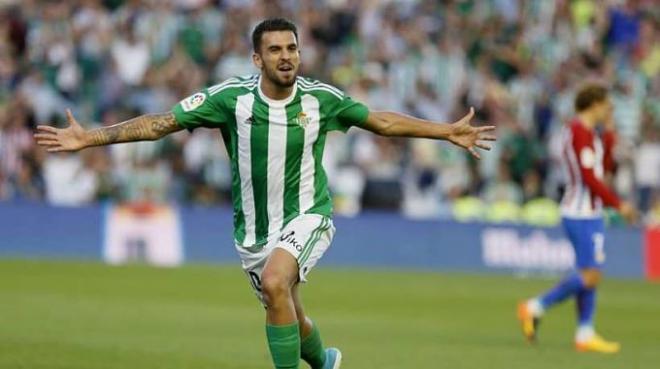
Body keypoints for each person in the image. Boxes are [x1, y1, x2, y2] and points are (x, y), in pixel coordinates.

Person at [34, 18, 495, 369]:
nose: (286, 56)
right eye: (274, 50)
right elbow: (159, 125)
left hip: (309, 215)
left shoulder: (320, 98)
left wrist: (445, 131)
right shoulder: (230, 99)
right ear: (257, 59)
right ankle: (326, 362)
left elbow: (382, 121)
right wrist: (87, 138)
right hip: (253, 232)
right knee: (289, 309)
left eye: (292, 48)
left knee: (277, 282)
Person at [517, 83, 637, 354]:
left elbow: (604, 169)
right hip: (581, 212)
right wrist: (619, 205)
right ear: (595, 104)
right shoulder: (578, 132)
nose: (610, 109)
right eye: (607, 104)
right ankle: (535, 306)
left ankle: (585, 333)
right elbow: (590, 178)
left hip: (588, 211)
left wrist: (608, 135)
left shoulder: (589, 134)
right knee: (591, 275)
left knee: (588, 272)